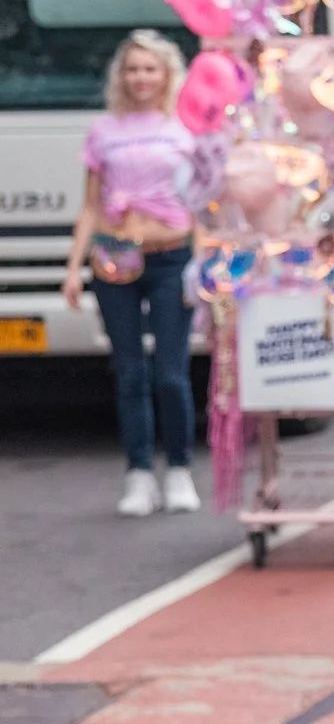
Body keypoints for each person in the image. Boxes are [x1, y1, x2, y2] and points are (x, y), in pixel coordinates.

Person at [61, 32, 200, 517]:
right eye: (132, 69)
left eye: (150, 69)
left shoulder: (184, 129)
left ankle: (179, 468)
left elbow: (202, 203)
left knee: (170, 372)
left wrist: (203, 262)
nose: (141, 78)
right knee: (129, 372)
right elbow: (91, 207)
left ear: (166, 74)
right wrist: (74, 268)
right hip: (115, 256)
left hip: (171, 256)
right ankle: (139, 473)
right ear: (121, 77)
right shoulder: (103, 132)